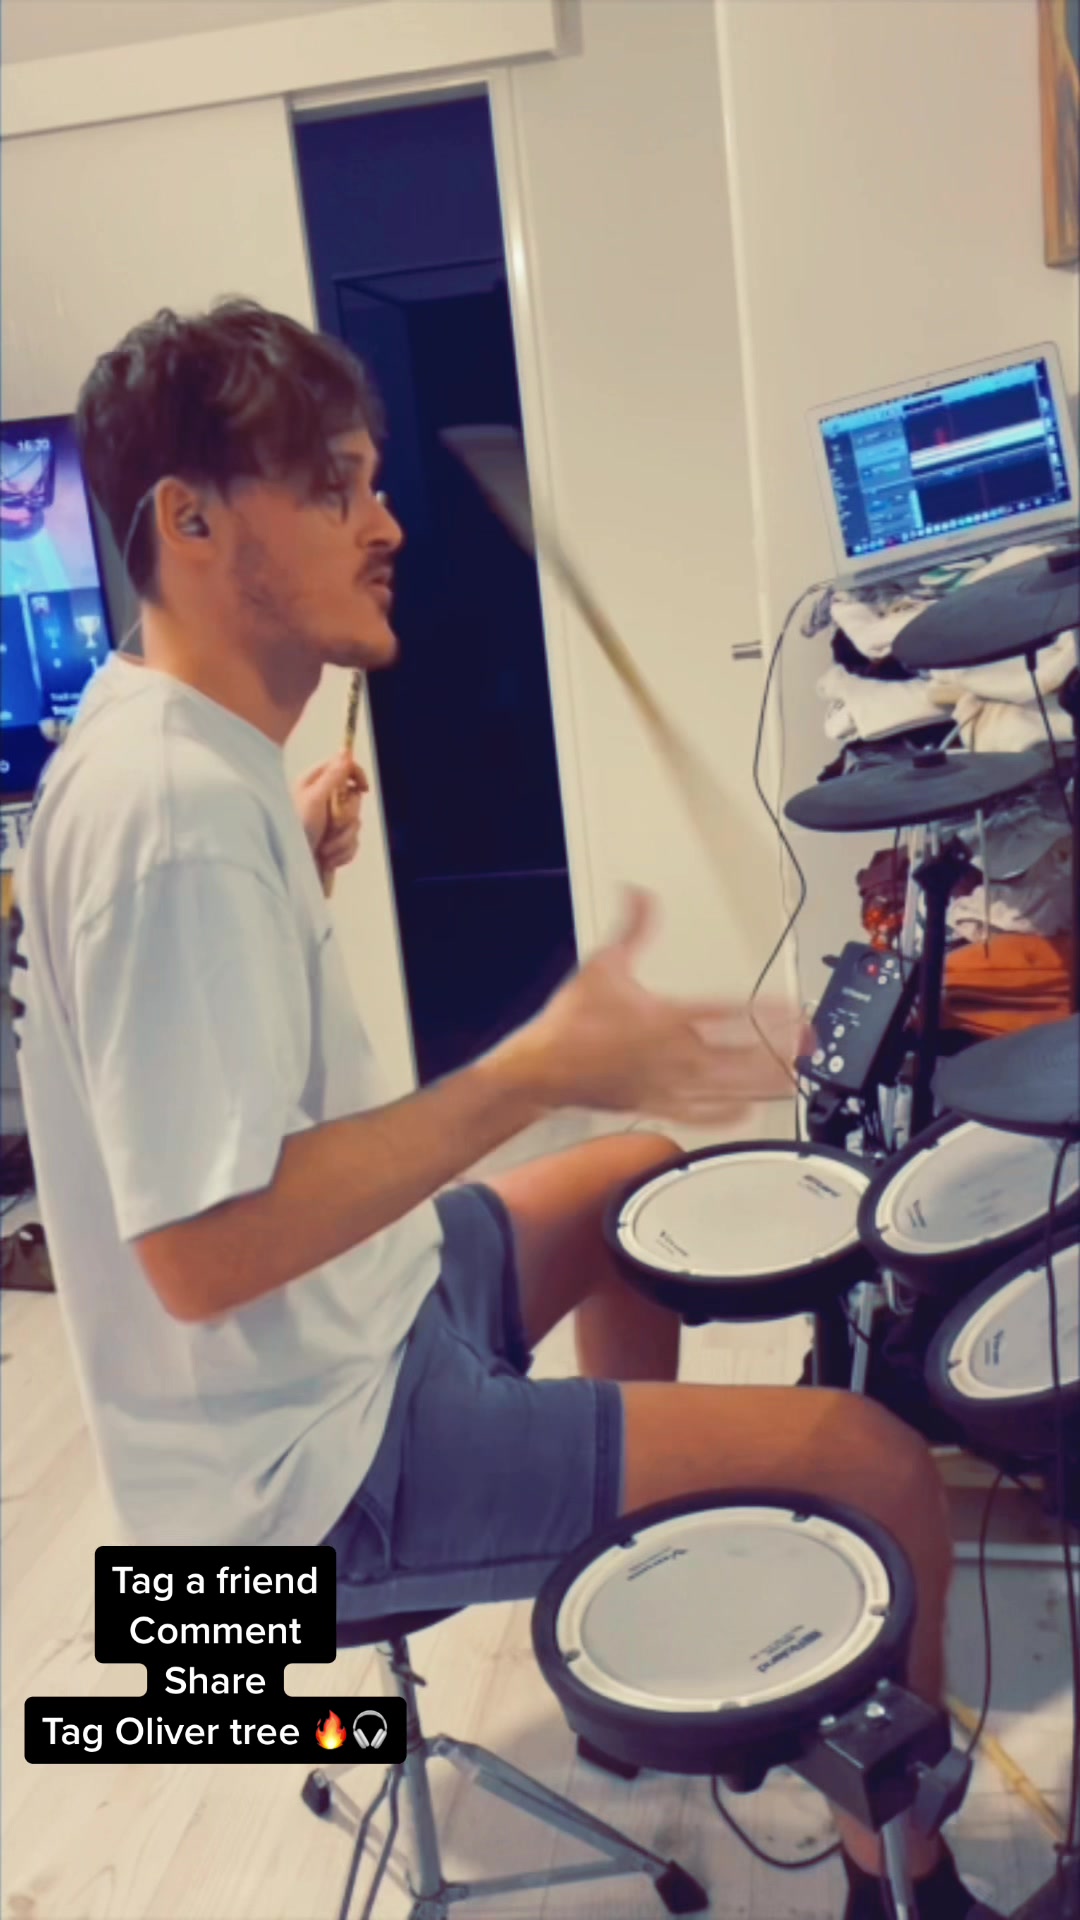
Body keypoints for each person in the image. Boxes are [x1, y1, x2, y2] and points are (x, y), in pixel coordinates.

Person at [12, 301, 993, 1920]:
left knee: (634, 1179)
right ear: (189, 522)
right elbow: (200, 1255)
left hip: (357, 1328)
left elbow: (179, 1045)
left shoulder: (161, 739)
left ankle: (636, 1663)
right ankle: (915, 1885)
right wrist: (534, 1068)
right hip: (306, 1483)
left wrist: (288, 856)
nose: (385, 521)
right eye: (333, 485)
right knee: (877, 1467)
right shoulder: (173, 816)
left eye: (374, 480)